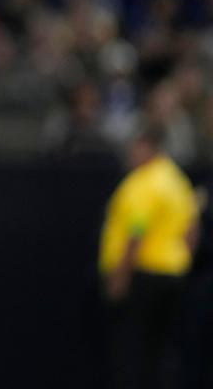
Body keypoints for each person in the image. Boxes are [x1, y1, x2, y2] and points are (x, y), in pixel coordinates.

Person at [99, 124, 199, 389]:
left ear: (148, 148)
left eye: (136, 147)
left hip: (143, 276)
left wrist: (120, 276)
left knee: (135, 352)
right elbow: (192, 230)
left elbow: (136, 232)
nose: (131, 153)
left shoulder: (144, 182)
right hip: (174, 276)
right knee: (161, 349)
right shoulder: (178, 181)